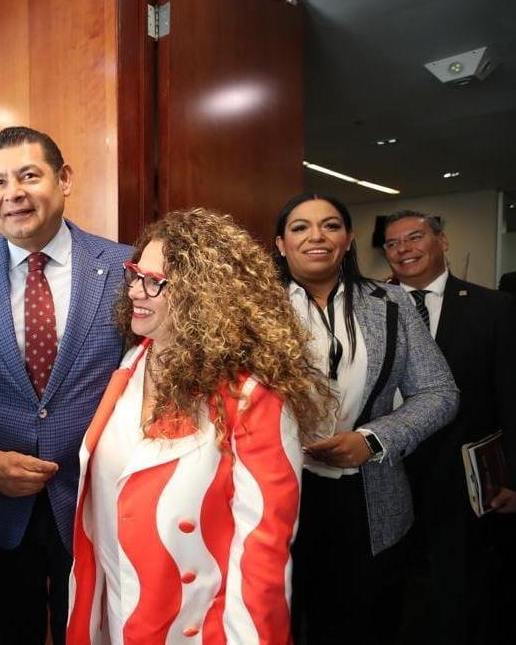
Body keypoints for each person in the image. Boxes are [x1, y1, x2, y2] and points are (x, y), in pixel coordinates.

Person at [67, 208, 333, 644]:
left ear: (205, 297)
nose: (136, 290)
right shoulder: (133, 362)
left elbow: (261, 557)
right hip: (117, 615)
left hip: (193, 629)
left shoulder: (253, 397)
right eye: (136, 274)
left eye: (155, 281)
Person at [0, 126, 132, 644]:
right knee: (8, 633)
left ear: (64, 179)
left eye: (28, 176)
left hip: (96, 501)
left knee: (88, 633)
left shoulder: (124, 267)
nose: (12, 192)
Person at [273, 193, 458, 645]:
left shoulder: (392, 303)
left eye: (331, 225)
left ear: (349, 239)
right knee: (276, 621)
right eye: (300, 227)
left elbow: (440, 391)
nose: (316, 235)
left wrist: (374, 439)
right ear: (280, 244)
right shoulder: (250, 311)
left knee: (364, 621)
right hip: (274, 492)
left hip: (369, 496)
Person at [383, 210, 516, 644]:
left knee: (472, 591)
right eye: (392, 244)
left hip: (467, 478)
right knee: (398, 589)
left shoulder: (494, 308)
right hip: (389, 471)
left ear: (442, 242)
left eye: (414, 238)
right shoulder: (367, 306)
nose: (403, 249)